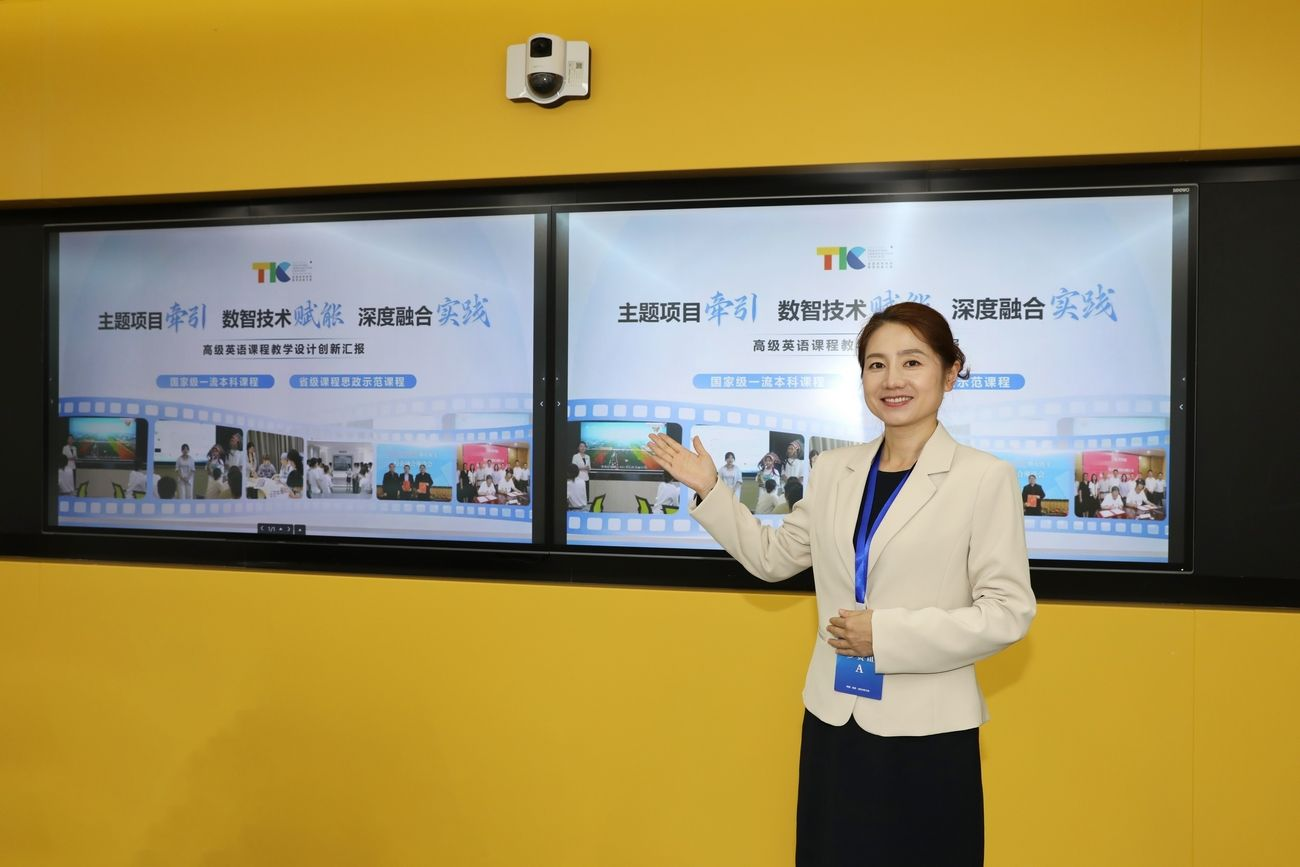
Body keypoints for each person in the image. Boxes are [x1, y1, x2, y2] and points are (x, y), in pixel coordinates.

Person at [646, 302, 1034, 866]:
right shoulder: (834, 470)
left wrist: (886, 634)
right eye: (876, 364)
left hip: (928, 731)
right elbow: (773, 559)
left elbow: (1006, 613)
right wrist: (711, 489)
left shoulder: (985, 477)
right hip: (834, 720)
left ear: (950, 373)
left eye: (912, 362)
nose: (892, 379)